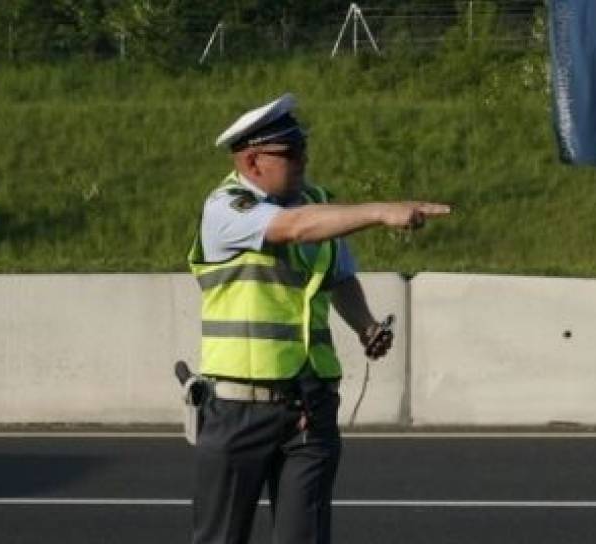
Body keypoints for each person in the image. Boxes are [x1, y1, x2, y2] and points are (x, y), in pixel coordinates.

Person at [187, 93, 450, 544]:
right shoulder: (226, 208)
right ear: (252, 161)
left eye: (304, 147)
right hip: (238, 409)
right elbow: (294, 228)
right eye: (291, 152)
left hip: (309, 405)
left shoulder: (315, 203)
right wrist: (380, 211)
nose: (303, 159)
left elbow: (338, 277)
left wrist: (366, 325)